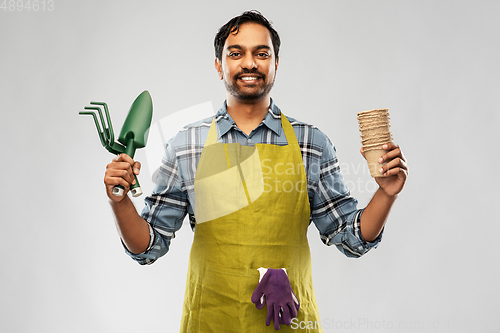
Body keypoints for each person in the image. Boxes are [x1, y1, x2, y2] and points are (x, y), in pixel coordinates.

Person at [103, 10, 408, 333]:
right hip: (211, 322)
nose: (250, 63)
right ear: (219, 65)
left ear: (276, 63)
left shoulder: (311, 144)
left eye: (262, 54)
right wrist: (119, 203)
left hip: (289, 325)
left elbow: (350, 237)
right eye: (236, 53)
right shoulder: (186, 145)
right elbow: (149, 246)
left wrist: (385, 193)